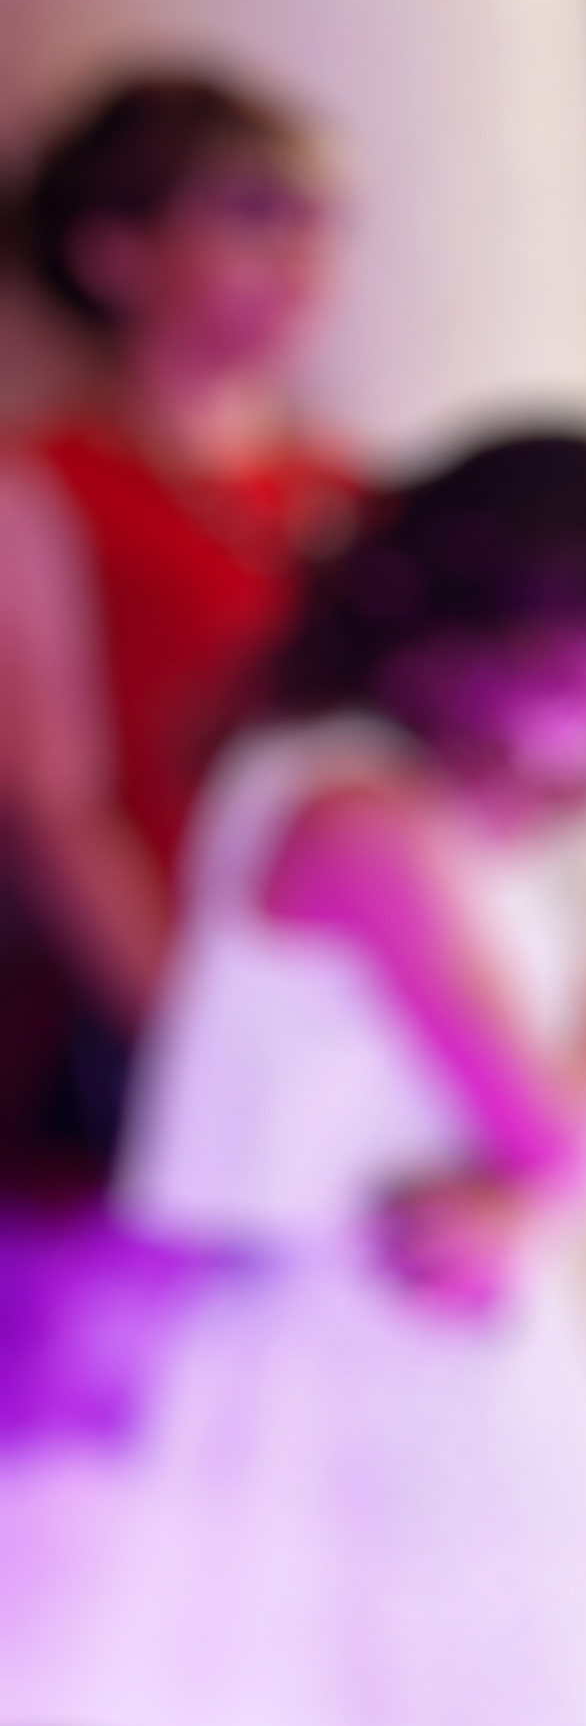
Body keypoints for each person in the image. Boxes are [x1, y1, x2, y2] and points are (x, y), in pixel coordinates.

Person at [0, 438, 586, 1726]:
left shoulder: (417, 806)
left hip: (419, 1330)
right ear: (506, 644)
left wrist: (537, 1185)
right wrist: (584, 1104)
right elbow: (562, 1127)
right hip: (354, 1356)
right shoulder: (360, 827)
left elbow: (553, 1133)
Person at [0, 68, 363, 1192]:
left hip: (335, 994)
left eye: (316, 223)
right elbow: (54, 806)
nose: (301, 262)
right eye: (252, 219)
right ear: (115, 252)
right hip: (141, 995)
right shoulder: (46, 486)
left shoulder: (342, 487)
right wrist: (199, 1034)